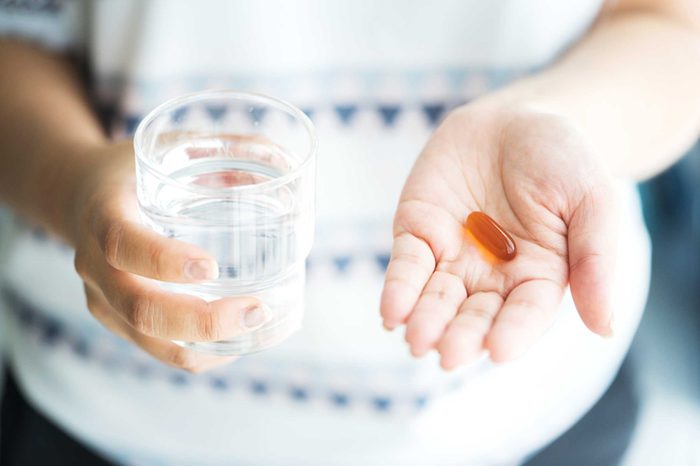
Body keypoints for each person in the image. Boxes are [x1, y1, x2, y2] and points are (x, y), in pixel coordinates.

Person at [0, 0, 699, 465]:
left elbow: (673, 26)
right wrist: (71, 179)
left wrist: (560, 119)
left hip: (521, 402)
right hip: (111, 416)